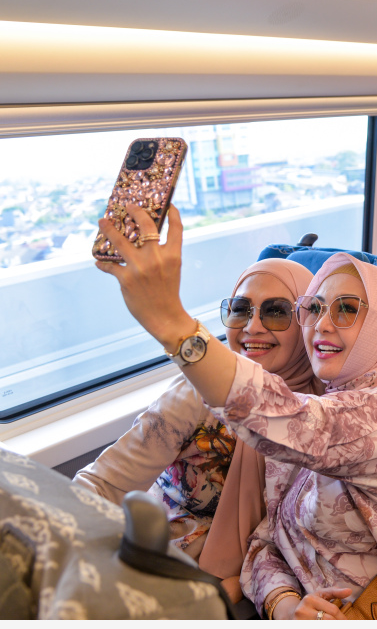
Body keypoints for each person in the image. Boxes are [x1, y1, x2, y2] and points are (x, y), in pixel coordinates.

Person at [94, 202, 377, 620]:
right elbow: (268, 541)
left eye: (347, 309)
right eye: (315, 308)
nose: (323, 324)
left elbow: (289, 421)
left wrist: (173, 324)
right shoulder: (318, 409)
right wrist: (287, 605)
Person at [73, 258, 323, 602]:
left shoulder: (327, 411)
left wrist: (233, 591)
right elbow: (103, 483)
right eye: (240, 310)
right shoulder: (200, 394)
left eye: (276, 312)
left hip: (257, 585)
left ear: (307, 321)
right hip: (159, 562)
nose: (252, 327)